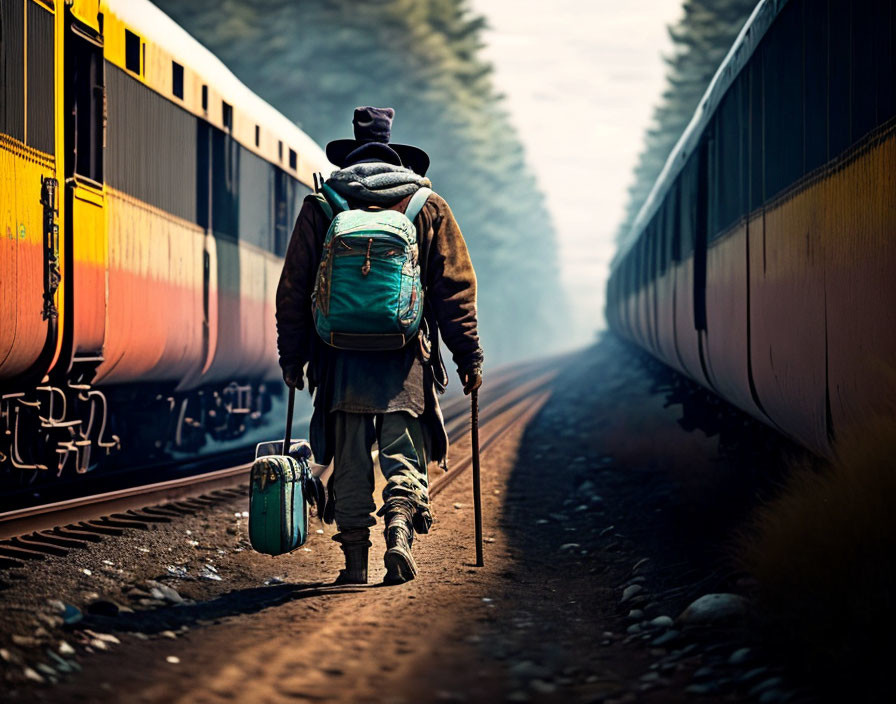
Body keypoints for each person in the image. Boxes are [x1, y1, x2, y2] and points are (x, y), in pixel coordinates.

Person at [276, 106, 483, 585]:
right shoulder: (426, 207)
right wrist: (468, 355)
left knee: (349, 459)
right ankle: (398, 532)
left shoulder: (322, 206)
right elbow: (454, 290)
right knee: (402, 453)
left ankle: (352, 564)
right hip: (404, 361)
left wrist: (294, 358)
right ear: (398, 156)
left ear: (349, 153)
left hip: (338, 361)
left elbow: (293, 291)